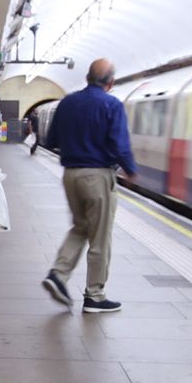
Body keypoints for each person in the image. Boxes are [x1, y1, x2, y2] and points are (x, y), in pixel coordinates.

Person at [42, 59, 137, 312]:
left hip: (70, 175)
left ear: (86, 78)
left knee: (81, 226)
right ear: (111, 82)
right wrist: (130, 169)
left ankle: (58, 274)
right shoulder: (112, 104)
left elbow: (51, 139)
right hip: (98, 176)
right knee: (100, 236)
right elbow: (119, 143)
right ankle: (95, 295)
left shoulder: (67, 102)